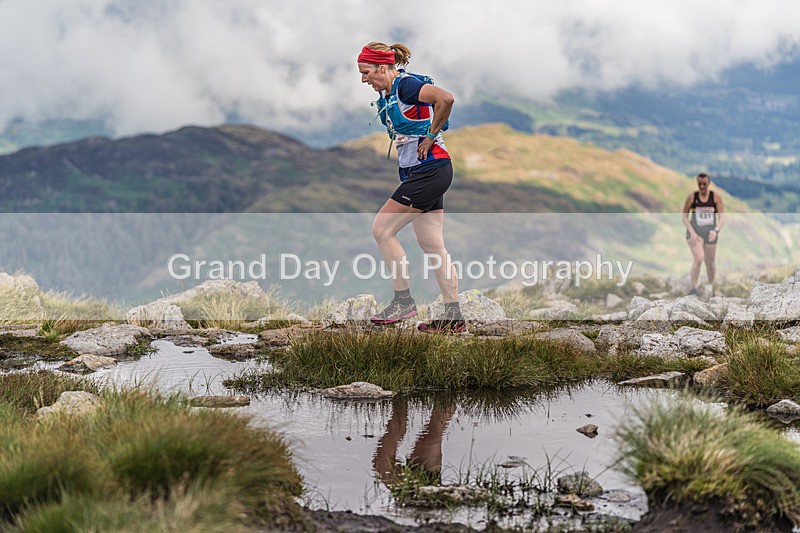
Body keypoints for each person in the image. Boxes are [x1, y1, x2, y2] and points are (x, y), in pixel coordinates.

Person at [357, 42, 465, 333]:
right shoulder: (390, 91)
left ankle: (403, 302)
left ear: (382, 66)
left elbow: (446, 99)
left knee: (382, 229)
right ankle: (454, 318)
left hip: (429, 171)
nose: (363, 79)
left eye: (366, 72)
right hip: (429, 171)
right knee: (432, 244)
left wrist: (432, 135)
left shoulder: (405, 86)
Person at [682, 172, 725, 295]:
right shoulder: (692, 198)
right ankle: (693, 288)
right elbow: (685, 217)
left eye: (704, 184)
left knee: (710, 264)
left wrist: (716, 231)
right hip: (695, 232)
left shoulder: (715, 197)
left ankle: (711, 286)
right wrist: (692, 232)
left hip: (710, 233)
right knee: (699, 258)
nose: (701, 187)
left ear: (709, 184)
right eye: (699, 184)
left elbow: (722, 217)